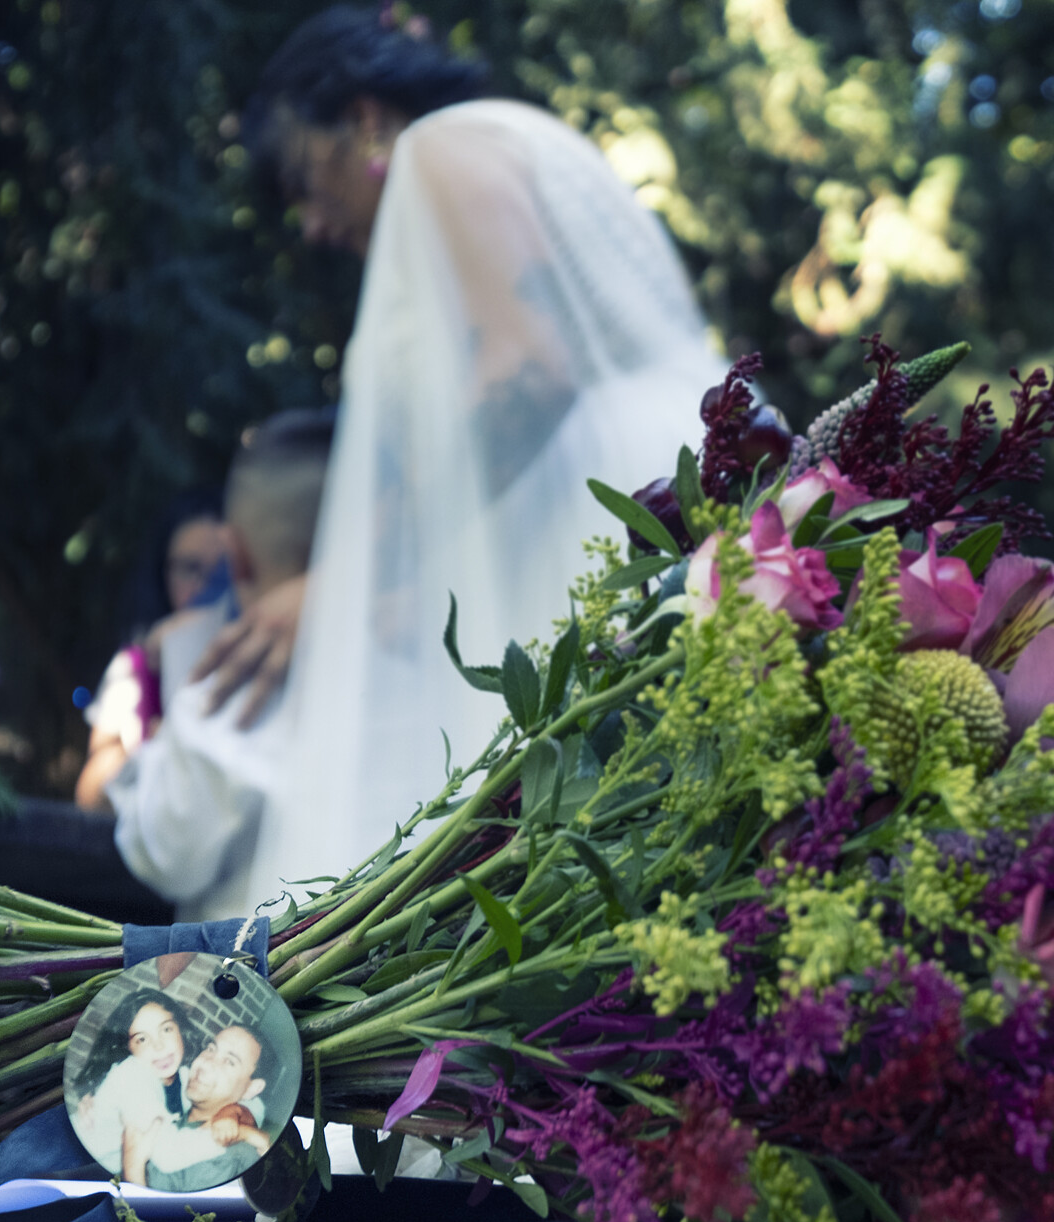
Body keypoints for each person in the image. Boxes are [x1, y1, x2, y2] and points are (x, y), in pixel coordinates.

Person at [203, 7, 726, 901]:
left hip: (604, 498)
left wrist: (343, 579)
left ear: (364, 117)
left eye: (303, 177)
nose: (311, 224)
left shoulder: (443, 149)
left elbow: (527, 371)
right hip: (599, 490)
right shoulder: (489, 152)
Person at [104, 410, 334, 921]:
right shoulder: (449, 667)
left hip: (266, 990)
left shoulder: (229, 689)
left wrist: (153, 758)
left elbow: (168, 853)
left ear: (236, 556)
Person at [75, 495, 230, 810]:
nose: (203, 587)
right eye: (189, 568)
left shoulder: (263, 655)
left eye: (220, 573)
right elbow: (89, 796)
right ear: (163, 571)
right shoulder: (139, 666)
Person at [124, 1023, 277, 1192]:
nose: (206, 1063)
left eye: (229, 1061)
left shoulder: (229, 1155)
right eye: (211, 1048)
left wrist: (133, 1169)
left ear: (251, 1089)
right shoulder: (174, 1104)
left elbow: (171, 1216)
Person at [70, 991, 197, 1178]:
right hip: (77, 1166)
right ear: (129, 1047)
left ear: (180, 1029)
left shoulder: (186, 1077)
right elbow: (169, 1157)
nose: (158, 1046)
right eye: (142, 1039)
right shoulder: (131, 1075)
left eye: (166, 1029)